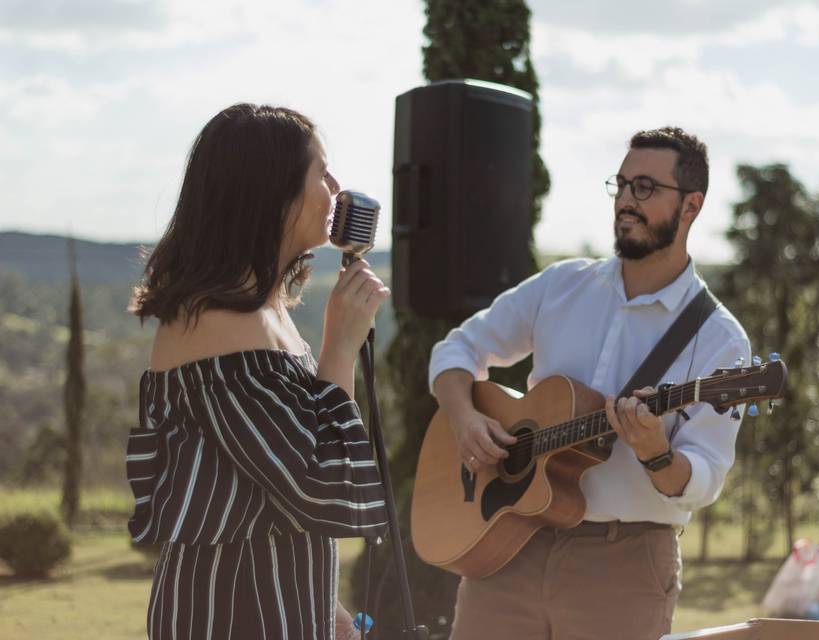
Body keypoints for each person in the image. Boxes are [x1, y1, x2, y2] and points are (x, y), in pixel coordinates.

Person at [428, 127, 751, 640]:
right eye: (621, 185)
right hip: (510, 544)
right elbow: (456, 350)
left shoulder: (718, 341)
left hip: (622, 561)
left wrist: (655, 452)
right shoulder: (561, 285)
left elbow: (703, 480)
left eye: (645, 188)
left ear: (691, 205)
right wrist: (464, 418)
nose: (625, 201)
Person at [127, 103, 390, 640]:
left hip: (286, 607)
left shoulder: (265, 312)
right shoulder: (214, 322)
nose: (336, 185)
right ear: (273, 192)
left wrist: (324, 605)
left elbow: (270, 493)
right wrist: (339, 346)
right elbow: (318, 481)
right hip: (229, 613)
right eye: (320, 171)